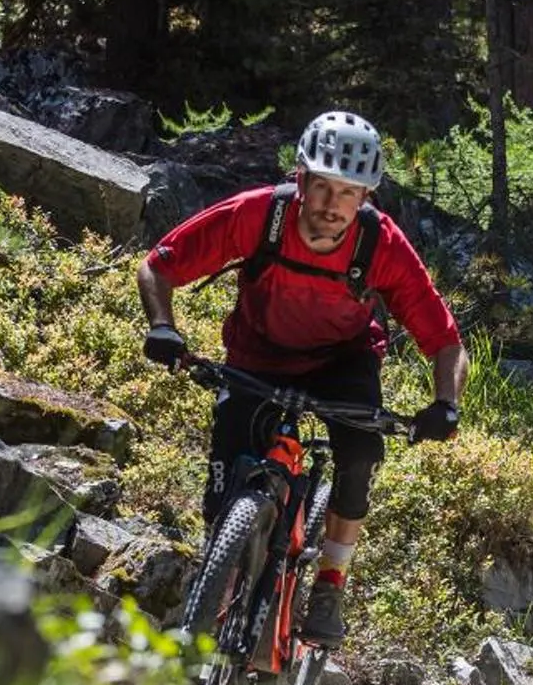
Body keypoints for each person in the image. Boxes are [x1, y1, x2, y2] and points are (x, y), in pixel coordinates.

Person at [137, 110, 468, 647]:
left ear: (365, 198)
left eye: (348, 193)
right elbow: (158, 266)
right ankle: (217, 598)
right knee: (221, 502)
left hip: (344, 362)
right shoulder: (259, 215)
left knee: (359, 455)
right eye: (322, 188)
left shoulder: (379, 244)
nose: (331, 206)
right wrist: (162, 327)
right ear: (300, 178)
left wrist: (446, 402)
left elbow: (446, 341)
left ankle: (329, 586)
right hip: (256, 354)